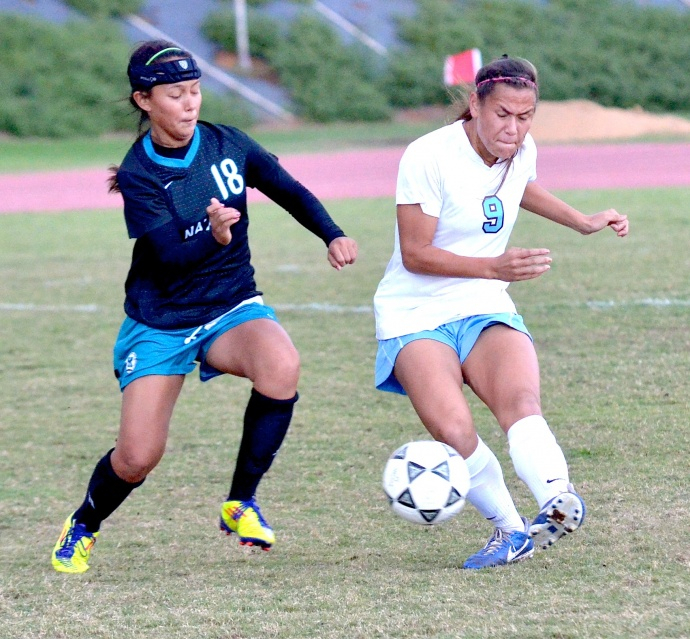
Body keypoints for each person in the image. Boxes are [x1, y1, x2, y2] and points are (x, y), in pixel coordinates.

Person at [51, 40, 358, 574]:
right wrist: (214, 234)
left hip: (231, 304)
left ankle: (240, 503)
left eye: (195, 91)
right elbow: (167, 257)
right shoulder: (139, 174)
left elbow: (288, 190)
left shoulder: (228, 144)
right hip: (161, 320)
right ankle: (83, 525)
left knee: (281, 365)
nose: (190, 103)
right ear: (144, 100)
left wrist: (331, 233)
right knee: (137, 458)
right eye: (176, 95)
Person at [373, 55, 628, 570]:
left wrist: (580, 221)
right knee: (454, 429)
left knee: (520, 399)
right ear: (475, 105)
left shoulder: (520, 148)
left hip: (482, 301)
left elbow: (520, 186)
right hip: (414, 309)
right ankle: (511, 531)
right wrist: (494, 267)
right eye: (503, 115)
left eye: (525, 115)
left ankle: (559, 497)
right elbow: (416, 253)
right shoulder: (427, 156)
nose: (513, 128)